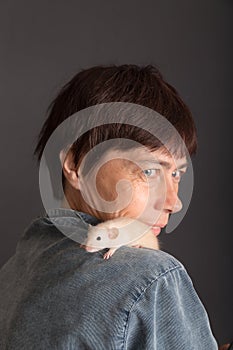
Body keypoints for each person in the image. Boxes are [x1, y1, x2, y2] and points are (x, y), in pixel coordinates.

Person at [0, 64, 231, 349]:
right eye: (148, 171)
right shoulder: (152, 278)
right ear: (76, 164)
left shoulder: (11, 274)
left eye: (176, 174)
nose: (175, 201)